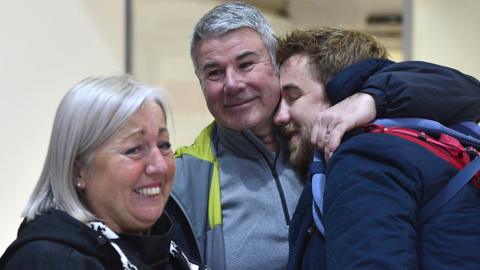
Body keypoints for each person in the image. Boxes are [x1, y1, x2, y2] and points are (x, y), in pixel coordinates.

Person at [167, 2, 480, 270]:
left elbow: (467, 91)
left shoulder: (324, 138)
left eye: (246, 63)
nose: (232, 83)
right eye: (214, 72)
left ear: (275, 66)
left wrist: (370, 98)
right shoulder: (185, 179)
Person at [273, 27, 480, 269]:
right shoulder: (411, 142)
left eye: (293, 97)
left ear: (339, 93)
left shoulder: (364, 158)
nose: (279, 116)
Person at [0, 76, 205, 270]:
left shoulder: (167, 251)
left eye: (164, 145)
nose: (159, 166)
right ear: (78, 171)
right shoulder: (49, 261)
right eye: (134, 149)